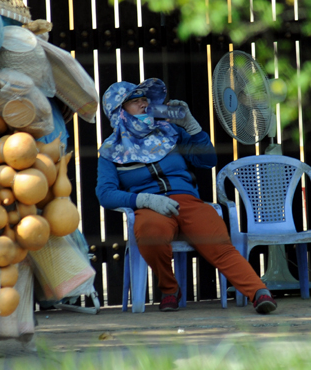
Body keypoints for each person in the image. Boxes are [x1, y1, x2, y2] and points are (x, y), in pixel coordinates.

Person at [95, 78, 277, 314]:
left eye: (145, 100)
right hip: (151, 207)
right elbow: (105, 194)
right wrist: (144, 200)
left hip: (188, 201)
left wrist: (192, 127)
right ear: (119, 110)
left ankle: (259, 292)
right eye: (135, 102)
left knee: (218, 244)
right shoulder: (110, 150)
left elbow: (207, 160)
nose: (143, 105)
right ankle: (170, 290)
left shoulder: (171, 132)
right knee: (151, 234)